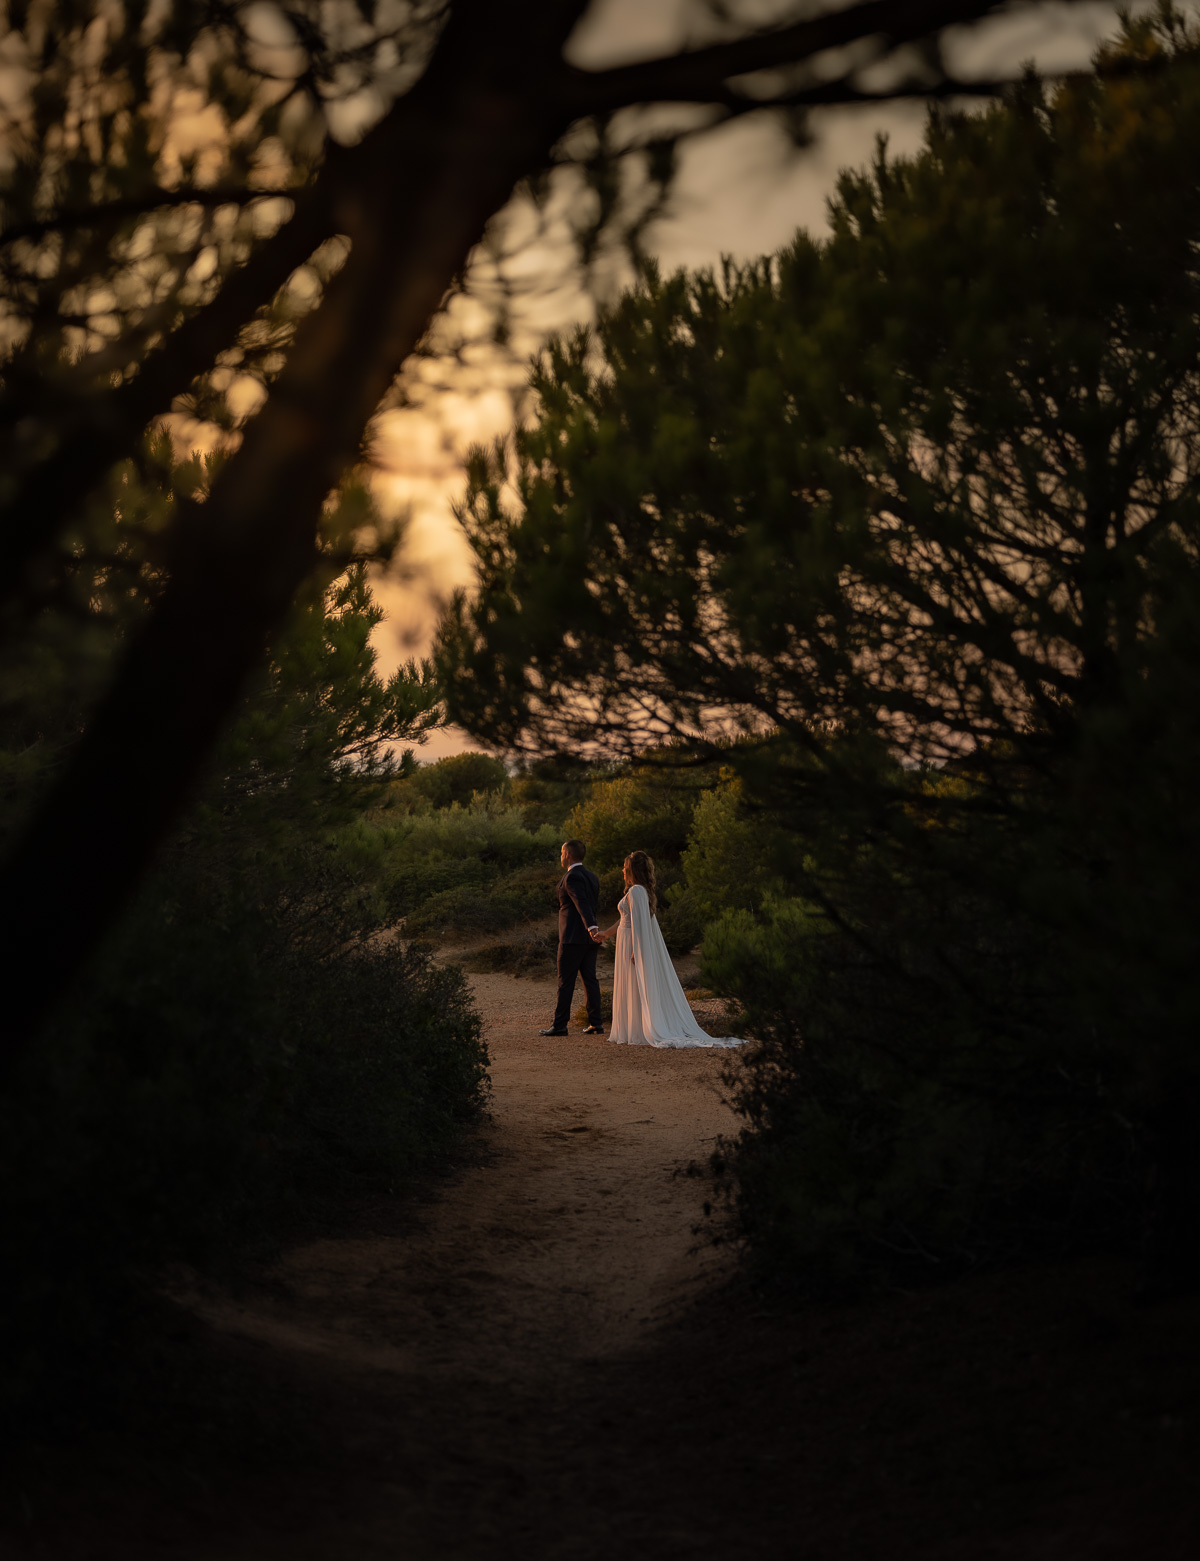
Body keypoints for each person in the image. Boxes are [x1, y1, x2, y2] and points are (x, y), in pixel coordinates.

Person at [592, 850, 743, 1049]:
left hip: (631, 943)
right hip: (626, 940)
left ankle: (639, 1030)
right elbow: (625, 919)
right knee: (632, 985)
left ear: (633, 870)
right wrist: (606, 934)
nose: (622, 870)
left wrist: (636, 950)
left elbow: (639, 924)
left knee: (636, 984)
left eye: (625, 867)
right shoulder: (637, 891)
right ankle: (632, 1029)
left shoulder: (637, 891)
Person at [540, 839, 604, 1037]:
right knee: (590, 980)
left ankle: (560, 1025)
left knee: (565, 982)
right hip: (588, 939)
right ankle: (596, 1023)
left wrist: (591, 927)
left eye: (561, 853)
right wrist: (593, 930)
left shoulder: (571, 877)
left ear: (567, 855)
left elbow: (581, 903)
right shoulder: (592, 876)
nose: (560, 856)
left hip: (572, 938)